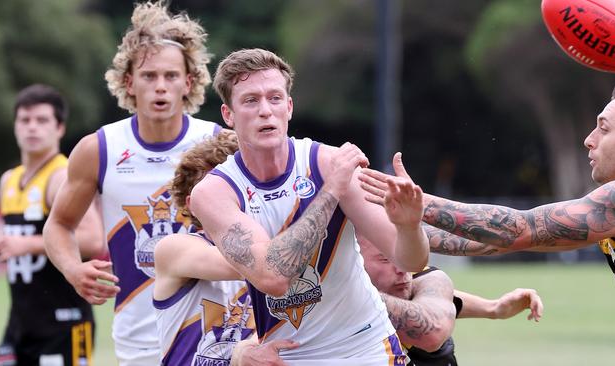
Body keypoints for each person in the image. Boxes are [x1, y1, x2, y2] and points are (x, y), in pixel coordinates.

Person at [190, 48, 429, 365]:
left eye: (275, 98)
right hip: (290, 357)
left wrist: (409, 226)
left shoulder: (328, 161)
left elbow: (409, 258)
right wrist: (330, 191)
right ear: (228, 115)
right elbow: (272, 277)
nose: (265, 111)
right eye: (250, 101)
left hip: (368, 347)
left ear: (289, 107)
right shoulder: (214, 193)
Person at [42, 2, 221, 364]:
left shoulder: (217, 144)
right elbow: (59, 225)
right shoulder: (100, 149)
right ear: (128, 82)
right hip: (139, 337)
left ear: (188, 82)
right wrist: (73, 269)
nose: (160, 87)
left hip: (212, 330)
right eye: (149, 75)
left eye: (171, 76)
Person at [359, 80, 615, 300]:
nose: (589, 140)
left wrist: (420, 203)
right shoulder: (611, 218)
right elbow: (490, 241)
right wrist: (377, 224)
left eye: (603, 129)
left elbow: (519, 229)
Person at [0, 84, 103, 366]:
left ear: (59, 128)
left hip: (62, 320)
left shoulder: (61, 176)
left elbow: (92, 239)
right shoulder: (9, 179)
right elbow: (20, 236)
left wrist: (25, 245)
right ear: (15, 126)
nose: (32, 128)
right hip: (20, 322)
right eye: (25, 120)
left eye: (42, 120)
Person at [153, 130, 297, 365]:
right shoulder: (174, 248)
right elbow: (253, 262)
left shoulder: (271, 249)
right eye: (216, 186)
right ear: (192, 203)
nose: (228, 193)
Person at [357, 233, 543, 366]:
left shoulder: (423, 277)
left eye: (404, 255)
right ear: (355, 262)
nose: (402, 268)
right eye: (386, 259)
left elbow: (432, 303)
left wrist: (493, 308)